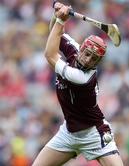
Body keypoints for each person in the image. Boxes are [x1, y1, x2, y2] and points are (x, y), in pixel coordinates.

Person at [32, 2, 124, 166]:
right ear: (82, 48)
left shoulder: (83, 78)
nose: (88, 59)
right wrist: (57, 16)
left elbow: (50, 55)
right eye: (87, 54)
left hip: (94, 134)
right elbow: (55, 33)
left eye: (93, 59)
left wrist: (61, 20)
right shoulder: (74, 49)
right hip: (69, 132)